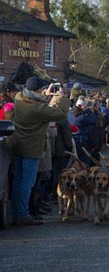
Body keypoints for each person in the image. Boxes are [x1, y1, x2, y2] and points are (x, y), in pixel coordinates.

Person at [7, 77, 70, 226]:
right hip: (31, 149)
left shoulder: (19, 97)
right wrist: (63, 97)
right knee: (27, 183)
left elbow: (35, 100)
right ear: (36, 91)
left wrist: (44, 96)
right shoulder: (37, 109)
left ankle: (16, 212)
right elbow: (60, 114)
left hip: (17, 145)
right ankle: (22, 215)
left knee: (18, 181)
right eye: (41, 90)